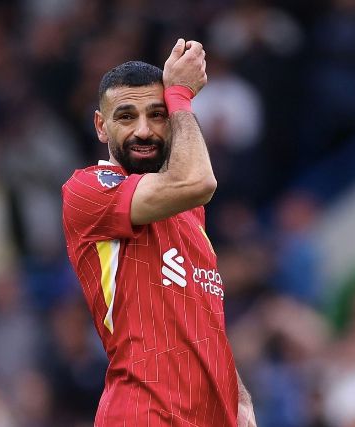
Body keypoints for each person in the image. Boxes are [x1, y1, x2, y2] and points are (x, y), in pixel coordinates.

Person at [61, 38, 257, 426]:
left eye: (157, 114)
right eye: (126, 116)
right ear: (101, 126)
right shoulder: (89, 189)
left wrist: (239, 397)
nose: (143, 130)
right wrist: (180, 96)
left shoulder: (188, 212)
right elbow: (199, 181)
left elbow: (199, 317)